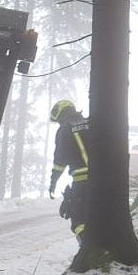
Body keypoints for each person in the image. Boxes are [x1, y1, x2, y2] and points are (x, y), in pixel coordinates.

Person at [48, 100, 90, 239]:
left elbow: (60, 160)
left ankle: (86, 246)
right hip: (104, 179)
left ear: (61, 114)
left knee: (78, 220)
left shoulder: (65, 129)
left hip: (82, 181)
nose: (59, 123)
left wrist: (53, 181)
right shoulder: (91, 123)